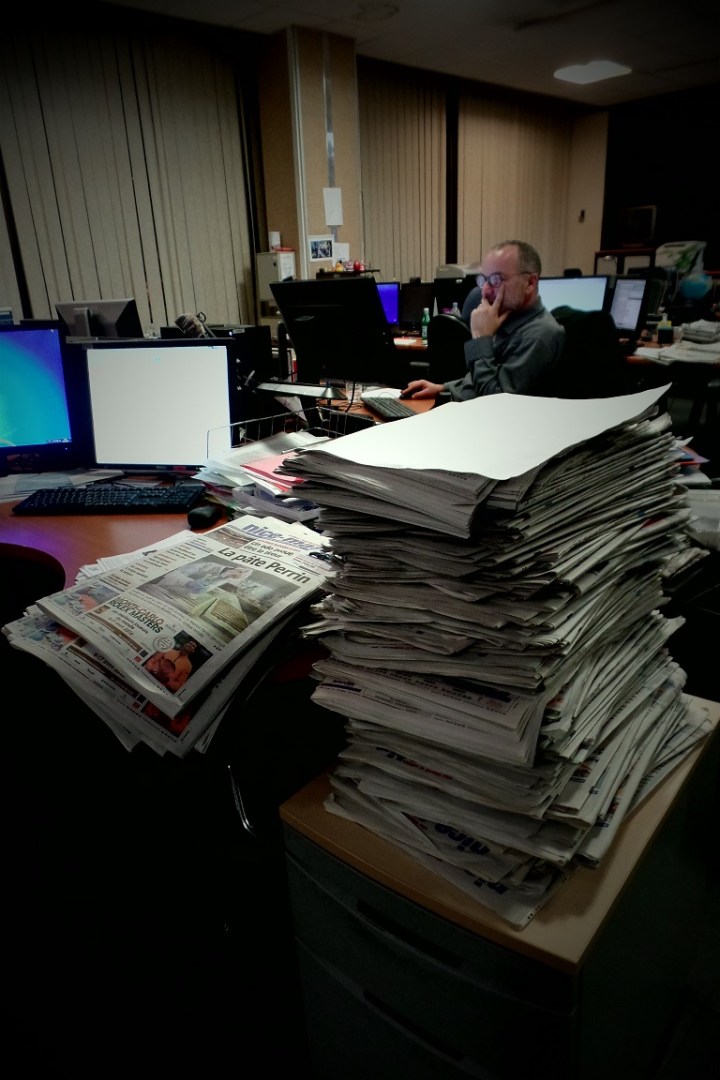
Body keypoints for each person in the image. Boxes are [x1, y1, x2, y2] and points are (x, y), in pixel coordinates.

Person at [402, 240, 565, 400]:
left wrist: (481, 338)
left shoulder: (539, 336)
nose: (485, 290)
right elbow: (481, 379)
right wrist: (443, 388)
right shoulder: (508, 321)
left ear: (530, 283)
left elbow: (493, 401)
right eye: (483, 280)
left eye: (496, 280)